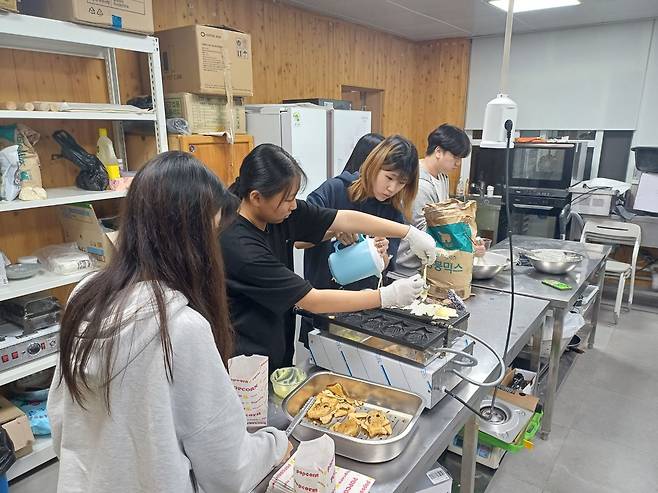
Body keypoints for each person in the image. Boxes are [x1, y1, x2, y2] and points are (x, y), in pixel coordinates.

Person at [48, 152, 291, 493]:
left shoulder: (85, 294)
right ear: (193, 235)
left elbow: (60, 421)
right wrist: (276, 444)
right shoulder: (180, 326)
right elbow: (227, 471)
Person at [220, 143, 436, 371]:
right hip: (245, 358)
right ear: (256, 197)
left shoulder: (279, 215)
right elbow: (311, 300)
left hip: (276, 339)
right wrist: (387, 296)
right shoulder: (240, 246)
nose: (294, 205)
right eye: (287, 198)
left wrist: (409, 233)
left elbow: (343, 218)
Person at [302, 135, 419, 292]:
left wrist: (381, 253)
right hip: (321, 301)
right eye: (389, 177)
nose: (392, 188)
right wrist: (334, 231)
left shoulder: (393, 211)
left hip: (364, 306)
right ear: (374, 165)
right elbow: (298, 240)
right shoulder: (335, 190)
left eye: (401, 183)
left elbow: (384, 265)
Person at [395, 124, 482, 277]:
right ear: (438, 152)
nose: (458, 163)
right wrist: (465, 244)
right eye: (455, 157)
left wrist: (470, 238)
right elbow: (424, 231)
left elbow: (443, 219)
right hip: (408, 268)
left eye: (460, 158)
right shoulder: (420, 184)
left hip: (428, 262)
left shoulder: (442, 177)